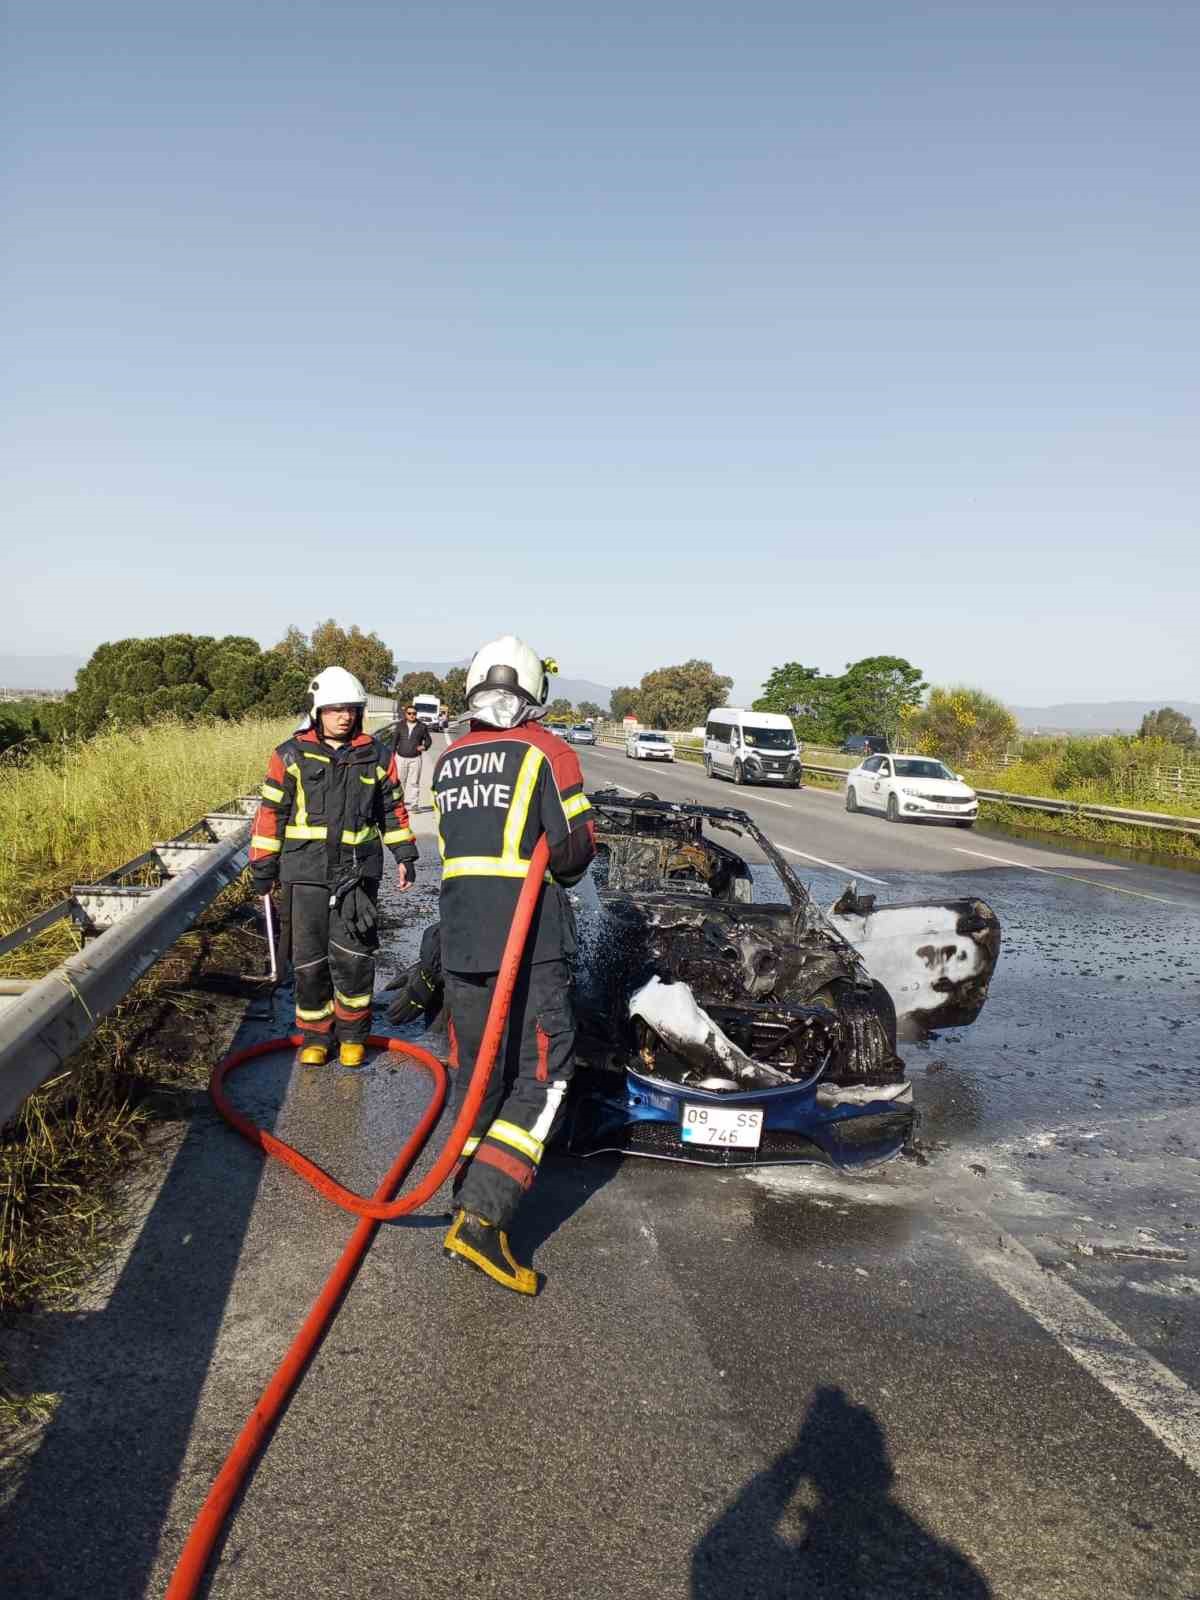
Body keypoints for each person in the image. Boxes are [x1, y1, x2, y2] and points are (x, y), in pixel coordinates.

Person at [434, 635, 595, 1294]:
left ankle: (464, 1192)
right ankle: (481, 1220)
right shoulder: (546, 751)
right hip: (527, 942)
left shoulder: (452, 758)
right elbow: (574, 851)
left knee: (481, 1076)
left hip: (461, 938)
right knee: (545, 1075)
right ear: (534, 694)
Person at [249, 667, 418, 1068]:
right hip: (304, 873)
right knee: (308, 960)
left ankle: (353, 1037)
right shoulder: (290, 755)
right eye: (334, 710)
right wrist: (263, 868)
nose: (344, 717)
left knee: (354, 957)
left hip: (357, 878)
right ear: (317, 711)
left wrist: (405, 856)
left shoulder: (376, 755)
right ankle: (315, 1036)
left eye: (350, 710)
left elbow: (392, 810)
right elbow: (271, 814)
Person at [390, 702, 433, 811]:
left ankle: (414, 805)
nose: (412, 715)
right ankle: (400, 803)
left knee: (414, 782)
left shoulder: (422, 726)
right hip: (401, 758)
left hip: (415, 759)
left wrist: (424, 746)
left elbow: (428, 740)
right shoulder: (400, 725)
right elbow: (394, 741)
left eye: (414, 713)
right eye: (409, 713)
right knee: (400, 782)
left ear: (416, 714)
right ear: (406, 714)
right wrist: (391, 756)